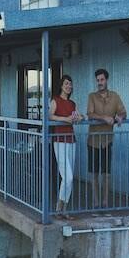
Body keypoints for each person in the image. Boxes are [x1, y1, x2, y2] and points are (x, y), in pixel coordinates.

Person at [87, 68, 126, 208]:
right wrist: (104, 117)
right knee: (94, 173)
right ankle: (95, 201)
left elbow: (123, 112)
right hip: (93, 141)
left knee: (107, 173)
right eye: (98, 80)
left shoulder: (115, 96)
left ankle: (105, 201)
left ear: (107, 80)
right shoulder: (92, 96)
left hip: (107, 140)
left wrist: (119, 118)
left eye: (102, 80)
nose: (100, 83)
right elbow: (90, 114)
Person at [49, 75, 83, 217]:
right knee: (67, 177)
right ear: (61, 85)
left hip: (71, 141)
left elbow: (78, 116)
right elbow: (50, 116)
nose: (69, 86)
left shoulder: (72, 104)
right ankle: (58, 207)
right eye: (66, 83)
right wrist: (66, 119)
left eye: (70, 84)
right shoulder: (55, 100)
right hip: (59, 141)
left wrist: (79, 118)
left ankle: (64, 209)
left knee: (69, 177)